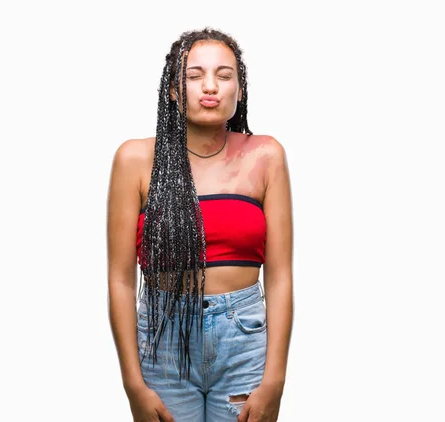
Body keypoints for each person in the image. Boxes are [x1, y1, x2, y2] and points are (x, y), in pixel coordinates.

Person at [107, 27, 293, 422]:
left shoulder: (266, 155)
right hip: (163, 338)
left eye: (224, 76)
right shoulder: (135, 159)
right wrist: (132, 384)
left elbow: (280, 277)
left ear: (239, 90)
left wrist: (275, 380)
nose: (210, 86)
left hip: (242, 337)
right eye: (194, 76)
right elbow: (120, 279)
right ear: (173, 89)